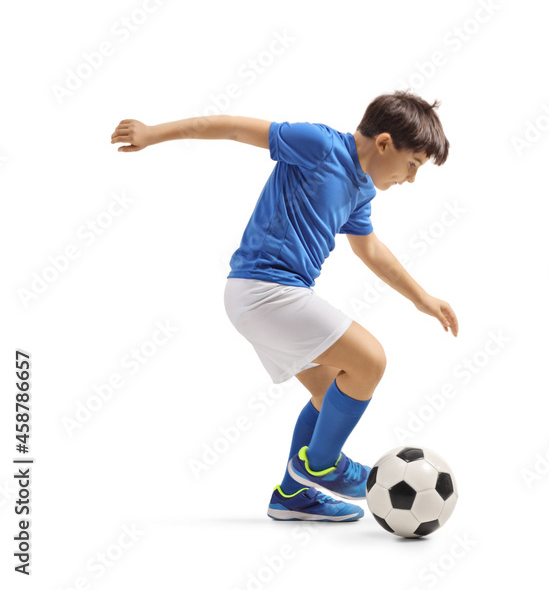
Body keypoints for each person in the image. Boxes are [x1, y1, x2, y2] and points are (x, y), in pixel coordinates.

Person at [111, 90, 459, 522]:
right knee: (371, 360)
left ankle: (294, 495)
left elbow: (370, 250)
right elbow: (235, 128)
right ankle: (322, 465)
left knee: (328, 389)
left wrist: (422, 298)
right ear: (385, 142)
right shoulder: (321, 145)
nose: (410, 179)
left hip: (263, 297)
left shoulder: (360, 190)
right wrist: (152, 134)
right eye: (413, 165)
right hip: (265, 290)